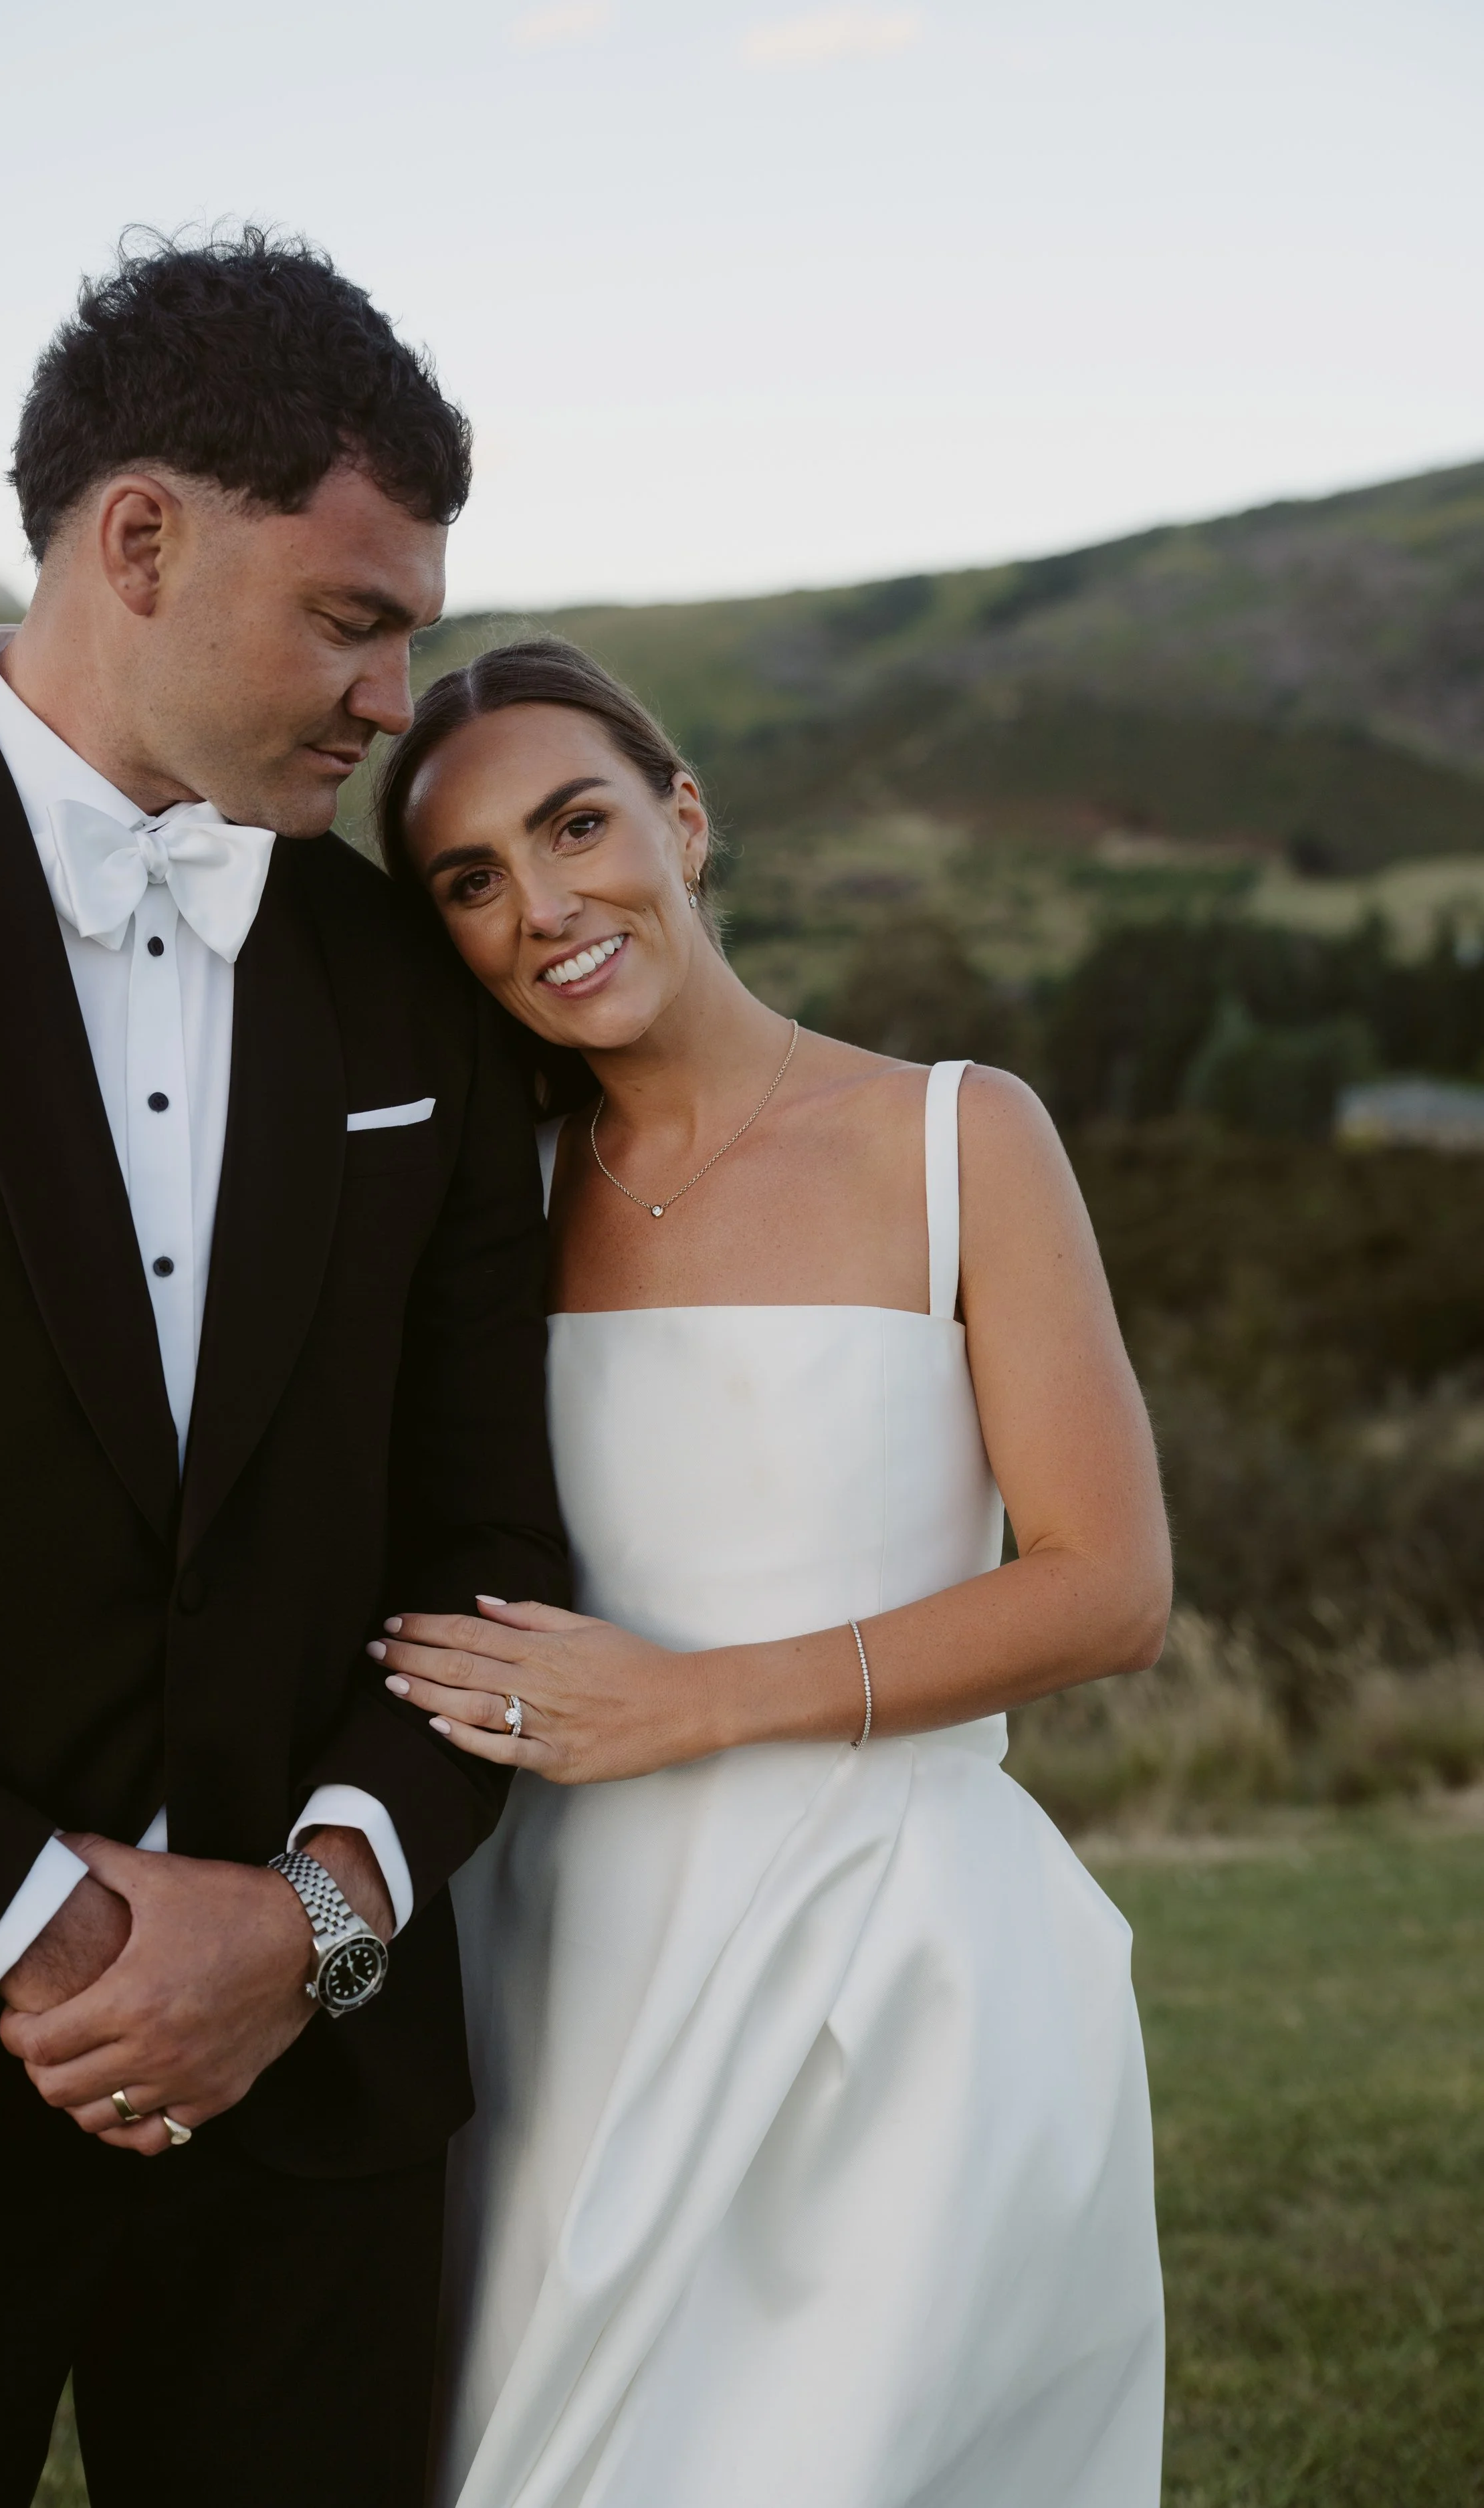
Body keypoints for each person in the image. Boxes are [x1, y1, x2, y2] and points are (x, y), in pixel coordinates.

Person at [0, 233, 566, 2508]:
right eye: (352, 616)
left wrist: (311, 1915)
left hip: (313, 2132)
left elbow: (489, 1541)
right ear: (138, 540)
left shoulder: (404, 974)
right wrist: (34, 1921)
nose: (394, 697)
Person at [375, 641, 1172, 2508]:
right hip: (554, 1968)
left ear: (684, 816)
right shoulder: (490, 1196)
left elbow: (1104, 1586)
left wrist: (688, 1699)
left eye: (576, 823)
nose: (543, 904)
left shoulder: (958, 1134)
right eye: (471, 880)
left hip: (893, 1961)